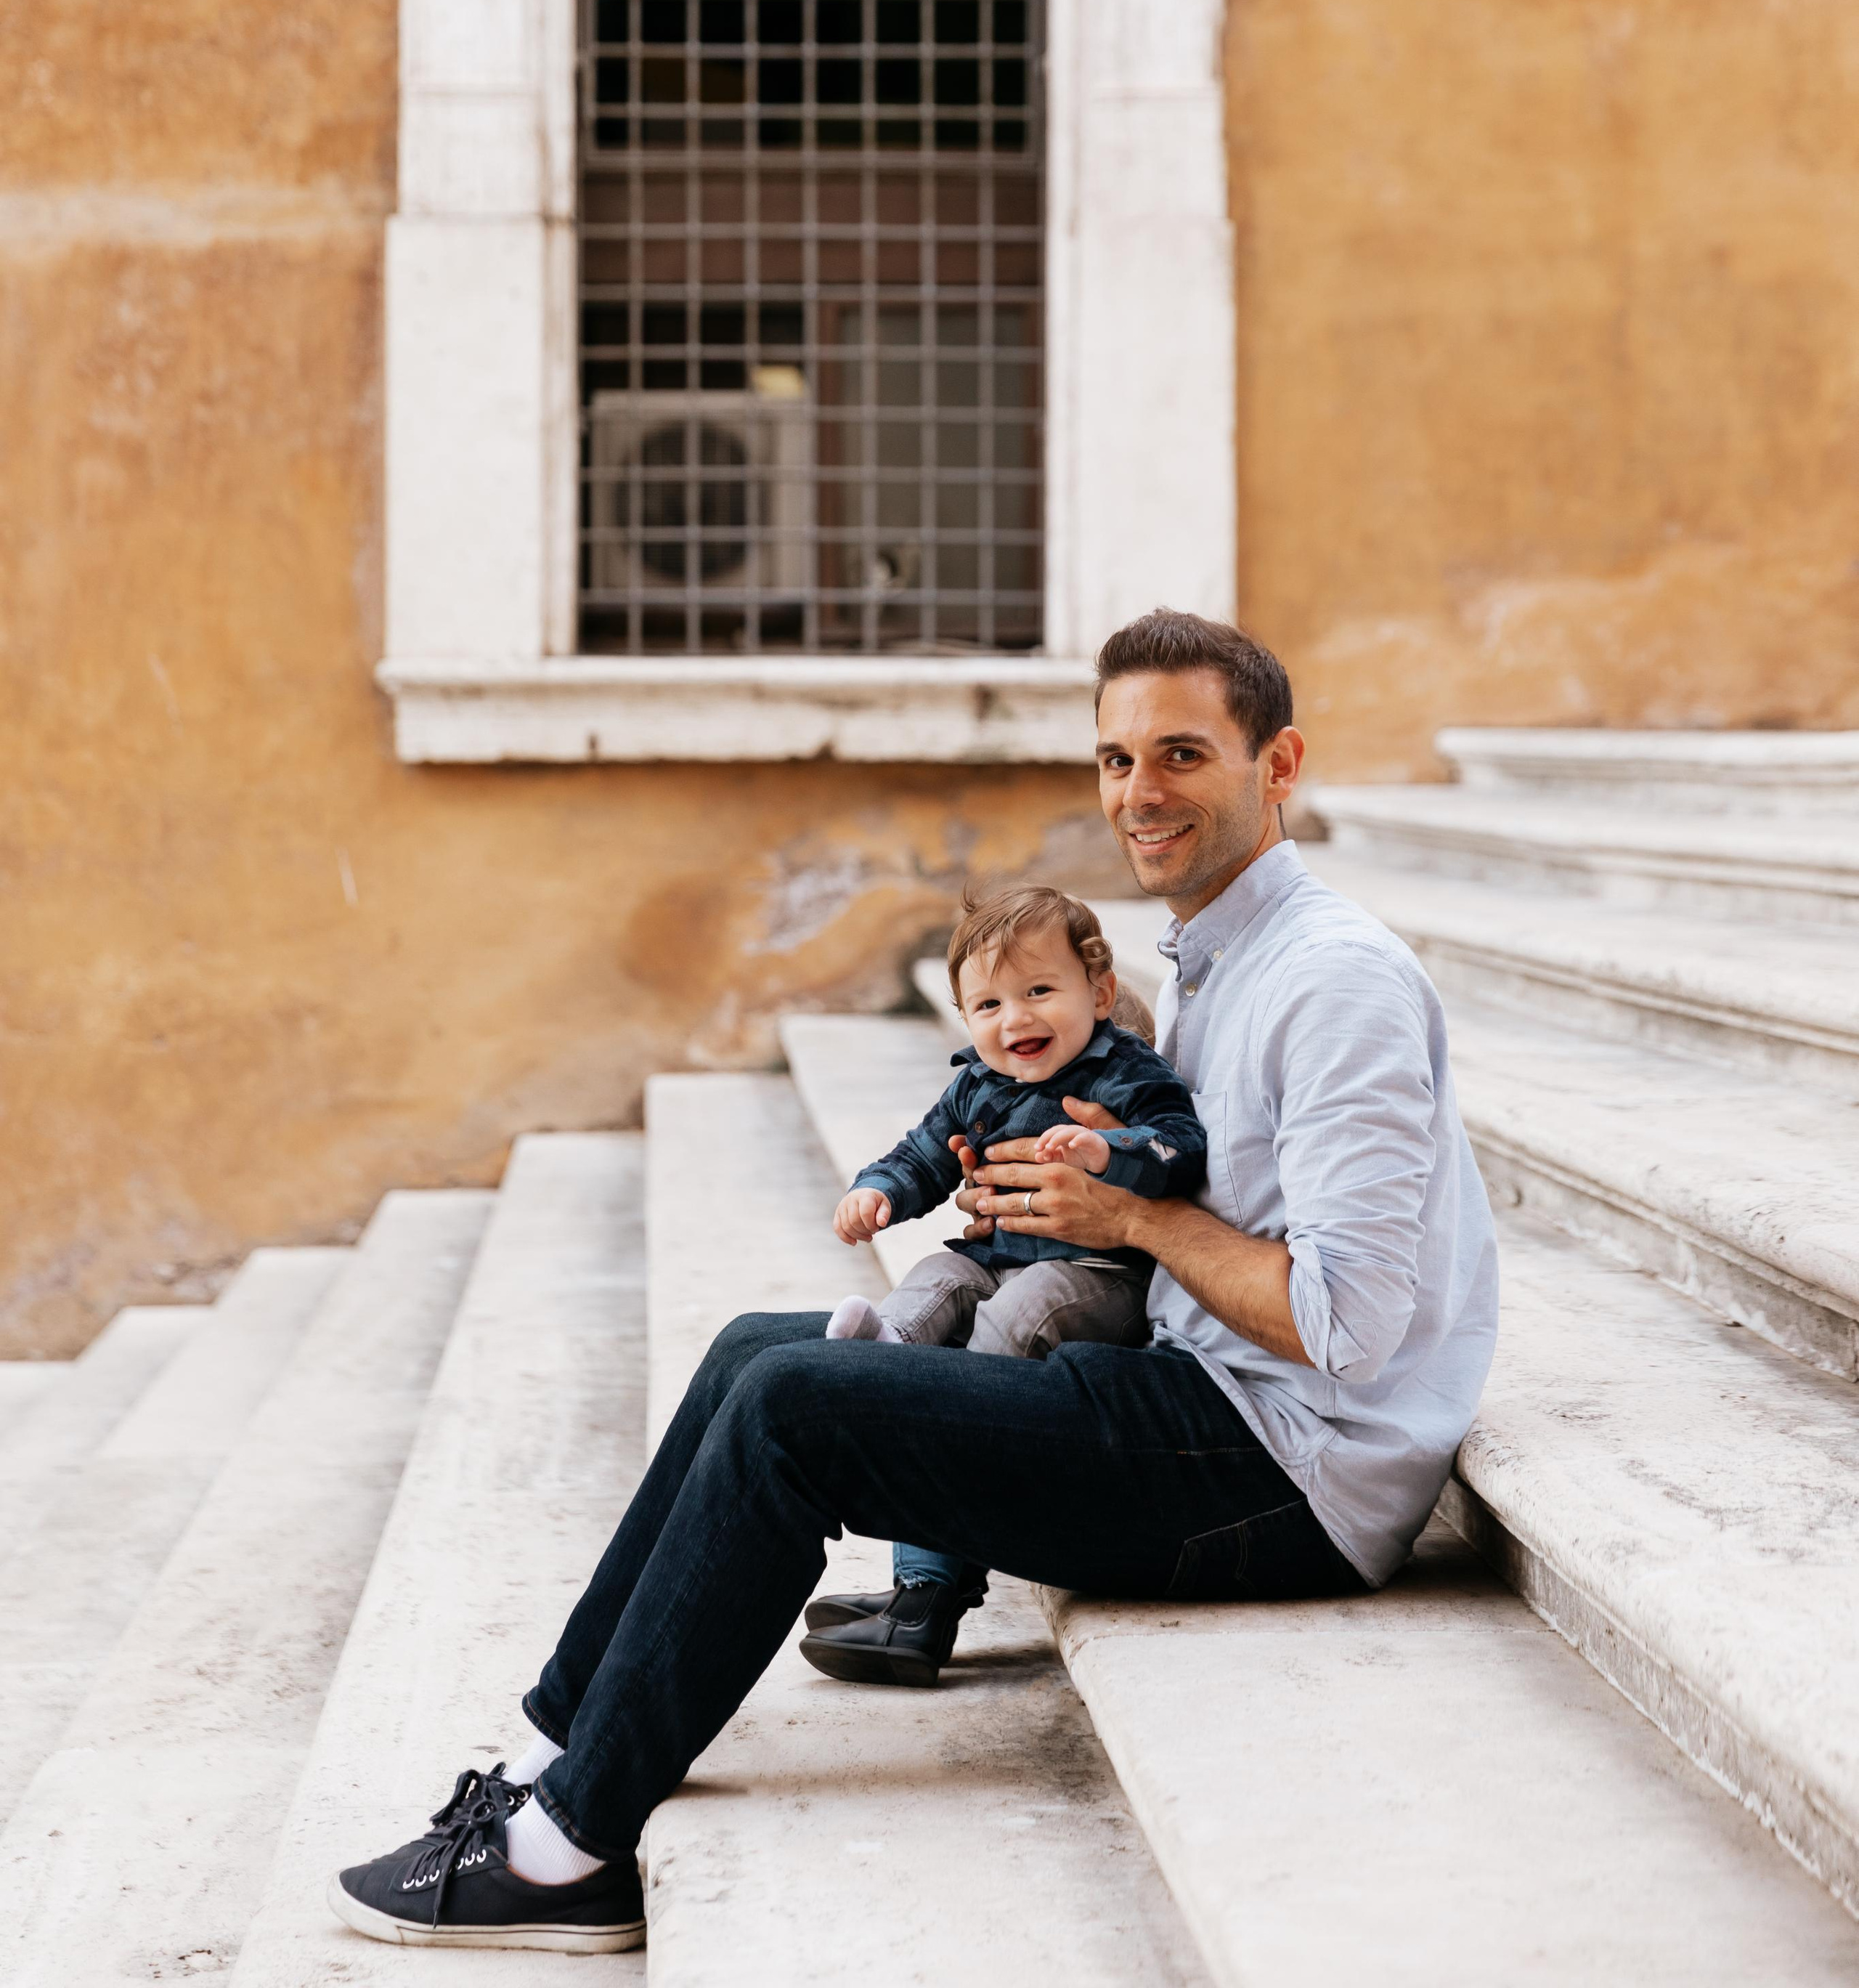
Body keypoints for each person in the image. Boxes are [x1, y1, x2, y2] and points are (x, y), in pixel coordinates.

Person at [329, 607, 1500, 1957]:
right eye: (1116, 760)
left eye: (1182, 754)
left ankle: (566, 1852)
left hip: (1283, 1468)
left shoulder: (1332, 982)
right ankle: (552, 1744)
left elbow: (1349, 1326)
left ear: (1278, 763)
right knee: (754, 1355)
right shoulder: (1215, 960)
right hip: (1190, 1388)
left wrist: (1128, 1218)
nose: (1140, 793)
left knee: (798, 1412)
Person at [800, 882, 1206, 1684]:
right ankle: (885, 1363)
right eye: (986, 1005)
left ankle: (928, 1598)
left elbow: (1177, 1146)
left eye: (1039, 992)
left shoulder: (1120, 1070)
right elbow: (921, 1153)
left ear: (1097, 990)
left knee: (1007, 1328)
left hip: (1096, 1275)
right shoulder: (975, 1085)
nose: (1014, 1020)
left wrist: (1106, 1152)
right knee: (934, 1279)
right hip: (995, 1257)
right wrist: (877, 1190)